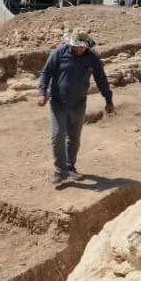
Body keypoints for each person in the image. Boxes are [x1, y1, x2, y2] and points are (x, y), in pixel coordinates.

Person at [38, 26, 115, 185]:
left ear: (87, 45)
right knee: (57, 136)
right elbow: (46, 73)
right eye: (76, 46)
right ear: (71, 43)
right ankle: (60, 170)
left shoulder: (92, 58)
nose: (79, 49)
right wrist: (42, 92)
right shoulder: (59, 53)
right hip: (58, 103)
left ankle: (70, 167)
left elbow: (101, 79)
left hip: (78, 104)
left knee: (74, 138)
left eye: (82, 47)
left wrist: (108, 99)